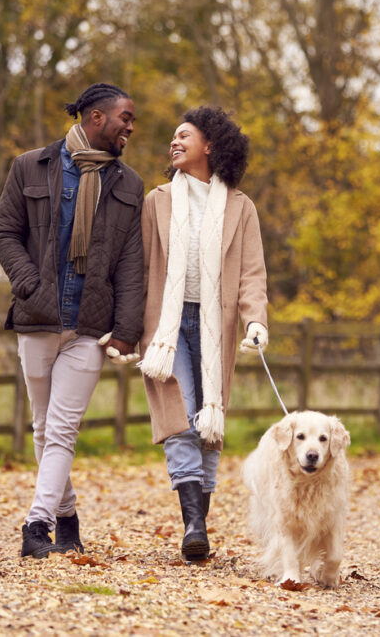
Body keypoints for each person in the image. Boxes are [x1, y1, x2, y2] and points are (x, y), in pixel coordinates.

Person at [0, 83, 145, 558]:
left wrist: (125, 330)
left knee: (61, 429)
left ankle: (36, 527)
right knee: (43, 427)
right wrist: (29, 284)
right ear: (96, 118)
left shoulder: (129, 184)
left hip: (89, 328)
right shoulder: (29, 165)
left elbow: (131, 265)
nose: (131, 128)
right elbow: (4, 234)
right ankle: (67, 516)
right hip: (37, 316)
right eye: (125, 118)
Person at [138, 106, 268, 562]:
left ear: (210, 145)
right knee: (181, 416)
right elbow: (136, 270)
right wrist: (121, 329)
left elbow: (251, 274)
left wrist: (255, 321)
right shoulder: (156, 201)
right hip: (164, 329)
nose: (174, 142)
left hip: (219, 328)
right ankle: (193, 523)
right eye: (172, 137)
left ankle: (198, 526)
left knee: (208, 425)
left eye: (183, 136)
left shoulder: (240, 207)